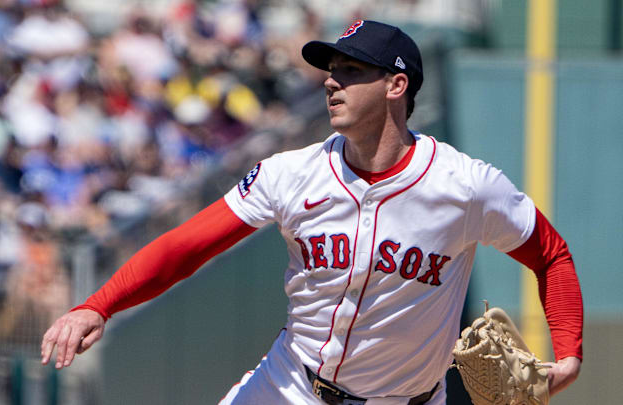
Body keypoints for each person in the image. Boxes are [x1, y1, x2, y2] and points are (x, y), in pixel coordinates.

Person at [41, 20, 583, 404]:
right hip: (290, 386)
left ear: (397, 86)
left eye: (351, 70)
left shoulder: (466, 186)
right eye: (330, 69)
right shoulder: (290, 172)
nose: (330, 80)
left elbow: (551, 255)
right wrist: (100, 305)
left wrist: (570, 356)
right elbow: (190, 245)